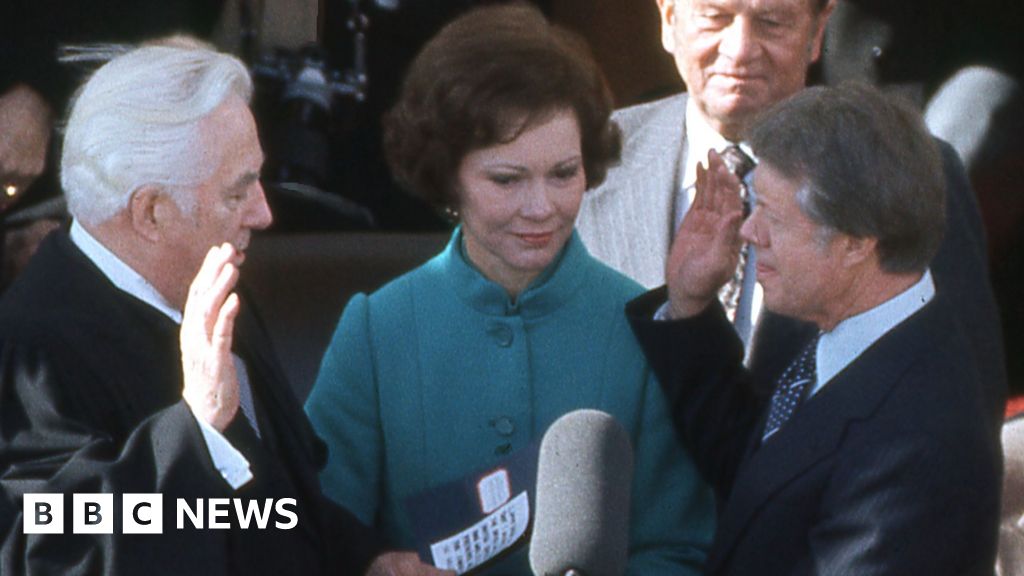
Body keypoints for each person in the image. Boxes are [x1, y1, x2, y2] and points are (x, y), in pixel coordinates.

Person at [305, 4, 715, 575]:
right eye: (507, 179)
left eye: (564, 174)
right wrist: (375, 565)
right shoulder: (378, 329)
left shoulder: (644, 329)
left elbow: (680, 548)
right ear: (448, 175)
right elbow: (310, 525)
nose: (540, 207)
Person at [0, 40, 425, 576]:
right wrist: (195, 429)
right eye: (236, 193)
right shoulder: (28, 350)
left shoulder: (207, 284)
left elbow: (269, 502)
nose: (264, 213)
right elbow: (48, 542)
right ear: (152, 213)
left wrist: (363, 557)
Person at [574, 0, 1007, 431]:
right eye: (715, 18)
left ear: (817, 32)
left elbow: (962, 408)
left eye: (772, 22)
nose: (740, 49)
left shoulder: (906, 174)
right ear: (669, 20)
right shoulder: (584, 161)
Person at [627, 83, 1001, 575]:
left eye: (773, 217)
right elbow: (766, 479)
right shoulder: (869, 331)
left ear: (856, 243)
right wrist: (690, 304)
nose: (748, 232)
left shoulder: (915, 447)